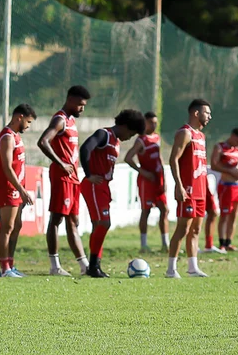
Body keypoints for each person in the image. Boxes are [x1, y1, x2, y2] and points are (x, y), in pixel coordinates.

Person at [78, 109, 147, 277]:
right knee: (104, 223)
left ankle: (95, 266)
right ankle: (93, 265)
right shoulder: (104, 134)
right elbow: (85, 148)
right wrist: (89, 174)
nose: (129, 137)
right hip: (94, 184)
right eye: (130, 133)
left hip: (104, 186)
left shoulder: (116, 141)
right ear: (124, 126)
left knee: (99, 225)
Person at [37, 85, 91, 276]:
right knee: (57, 219)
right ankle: (54, 266)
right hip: (62, 177)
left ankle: (85, 266)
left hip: (74, 177)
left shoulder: (71, 121)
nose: (82, 109)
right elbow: (43, 141)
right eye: (80, 104)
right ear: (70, 101)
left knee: (74, 221)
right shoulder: (60, 119)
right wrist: (60, 163)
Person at [165, 99, 212, 278]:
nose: (210, 116)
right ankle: (171, 269)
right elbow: (173, 159)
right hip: (188, 189)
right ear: (196, 113)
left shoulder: (201, 136)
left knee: (196, 229)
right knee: (183, 228)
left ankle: (193, 267)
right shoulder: (185, 133)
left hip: (200, 190)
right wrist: (179, 185)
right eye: (207, 113)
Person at [0, 104, 37, 278]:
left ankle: (10, 265)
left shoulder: (16, 136)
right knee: (7, 227)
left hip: (17, 189)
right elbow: (7, 167)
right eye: (28, 122)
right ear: (19, 117)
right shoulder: (7, 137)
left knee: (16, 226)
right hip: (8, 188)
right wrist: (21, 189)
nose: (28, 126)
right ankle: (4, 268)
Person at [124, 112, 169, 253]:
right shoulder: (141, 140)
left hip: (158, 179)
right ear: (145, 123)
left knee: (165, 210)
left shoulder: (156, 137)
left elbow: (160, 158)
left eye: (156, 122)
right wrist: (142, 172)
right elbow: (128, 158)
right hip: (146, 182)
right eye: (151, 122)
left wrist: (164, 178)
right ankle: (144, 245)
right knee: (146, 211)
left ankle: (165, 244)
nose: (154, 125)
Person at [211, 128, 238, 253]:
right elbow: (214, 164)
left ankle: (229, 242)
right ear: (232, 136)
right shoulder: (220, 147)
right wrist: (229, 171)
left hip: (237, 187)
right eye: (237, 141)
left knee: (234, 216)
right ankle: (221, 243)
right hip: (226, 186)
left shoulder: (237, 150)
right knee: (225, 215)